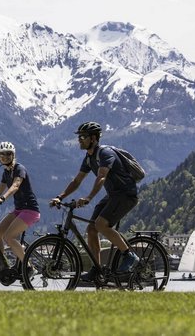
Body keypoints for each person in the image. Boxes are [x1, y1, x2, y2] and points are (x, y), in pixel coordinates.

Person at [49, 121, 140, 282]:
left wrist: (89, 197)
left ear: (94, 138)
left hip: (126, 194)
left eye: (83, 137)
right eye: (79, 137)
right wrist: (60, 197)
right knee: (91, 229)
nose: (79, 140)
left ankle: (129, 255)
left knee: (101, 224)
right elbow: (77, 181)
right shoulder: (89, 158)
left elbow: (102, 176)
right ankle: (97, 269)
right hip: (113, 195)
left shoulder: (105, 153)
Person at [0, 141, 41, 277]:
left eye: (8, 154)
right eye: (2, 155)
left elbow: (15, 186)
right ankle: (1, 265)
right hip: (19, 210)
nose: (5, 157)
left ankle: (29, 268)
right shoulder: (6, 173)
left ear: (13, 155)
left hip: (30, 210)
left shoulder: (19, 169)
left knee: (9, 236)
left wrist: (3, 199)